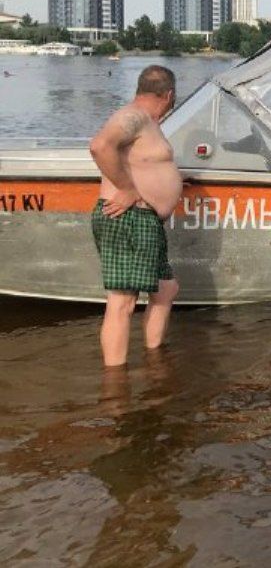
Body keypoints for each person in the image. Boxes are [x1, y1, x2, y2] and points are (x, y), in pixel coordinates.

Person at [88, 65, 183, 366]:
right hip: (129, 217)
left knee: (167, 288)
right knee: (122, 302)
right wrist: (127, 188)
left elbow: (143, 162)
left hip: (146, 221)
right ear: (168, 95)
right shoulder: (134, 116)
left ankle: (154, 359)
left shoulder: (146, 122)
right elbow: (100, 146)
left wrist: (170, 180)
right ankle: (115, 387)